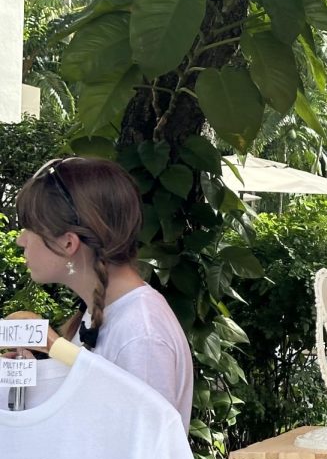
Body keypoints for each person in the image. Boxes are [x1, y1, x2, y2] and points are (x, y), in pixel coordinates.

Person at [15, 157, 193, 425]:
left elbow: (142, 450)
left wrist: (54, 345)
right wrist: (36, 376)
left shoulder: (141, 334)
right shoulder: (103, 313)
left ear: (68, 243)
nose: (20, 240)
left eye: (31, 228)